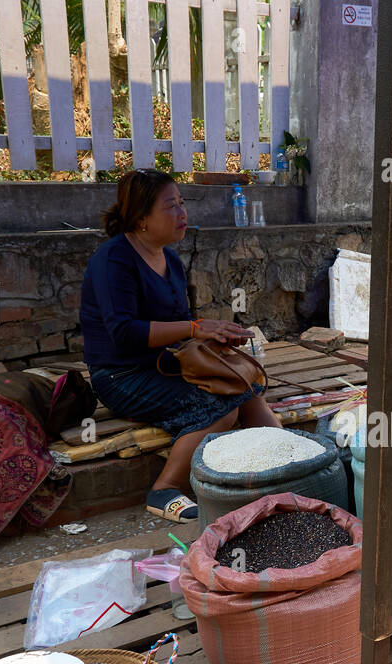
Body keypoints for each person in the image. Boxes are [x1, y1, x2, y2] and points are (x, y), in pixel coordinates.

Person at [79, 168, 280, 523]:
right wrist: (195, 328)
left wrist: (214, 336)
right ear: (141, 218)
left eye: (182, 203)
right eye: (170, 206)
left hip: (168, 363)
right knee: (221, 409)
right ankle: (165, 489)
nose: (182, 213)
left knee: (245, 385)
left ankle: (289, 462)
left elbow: (181, 328)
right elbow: (123, 332)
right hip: (121, 376)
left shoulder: (170, 259)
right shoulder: (114, 260)